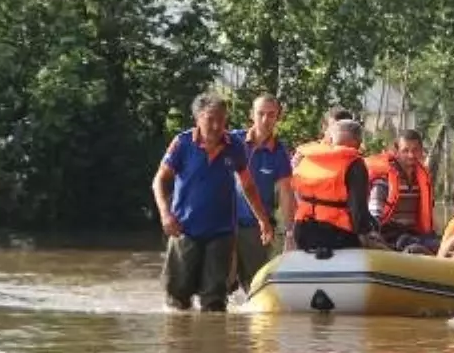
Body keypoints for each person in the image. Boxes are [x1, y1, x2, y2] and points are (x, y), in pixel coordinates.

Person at [152, 93, 273, 312]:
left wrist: (262, 219)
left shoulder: (234, 146)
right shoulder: (182, 143)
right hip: (184, 230)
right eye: (211, 119)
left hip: (221, 232)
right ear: (198, 118)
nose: (217, 126)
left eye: (222, 119)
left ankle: (214, 344)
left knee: (215, 300)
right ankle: (178, 343)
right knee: (177, 298)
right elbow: (159, 180)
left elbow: (248, 185)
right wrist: (165, 214)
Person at [230, 93, 296, 294]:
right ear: (252, 115)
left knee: (256, 289)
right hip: (224, 225)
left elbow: (286, 192)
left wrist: (290, 232)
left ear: (278, 118)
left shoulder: (280, 153)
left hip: (256, 229)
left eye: (271, 115)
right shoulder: (232, 142)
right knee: (218, 286)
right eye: (261, 114)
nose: (266, 120)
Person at [290, 119, 381, 251]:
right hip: (337, 233)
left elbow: (296, 193)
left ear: (330, 139)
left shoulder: (307, 158)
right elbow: (358, 208)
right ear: (358, 143)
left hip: (302, 229)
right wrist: (367, 232)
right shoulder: (355, 164)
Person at [366, 129, 438, 254]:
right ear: (396, 152)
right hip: (390, 234)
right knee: (413, 246)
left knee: (439, 243)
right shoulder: (384, 179)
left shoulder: (423, 179)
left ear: (421, 151)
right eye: (405, 151)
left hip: (414, 233)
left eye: (415, 150)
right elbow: (374, 214)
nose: (411, 155)